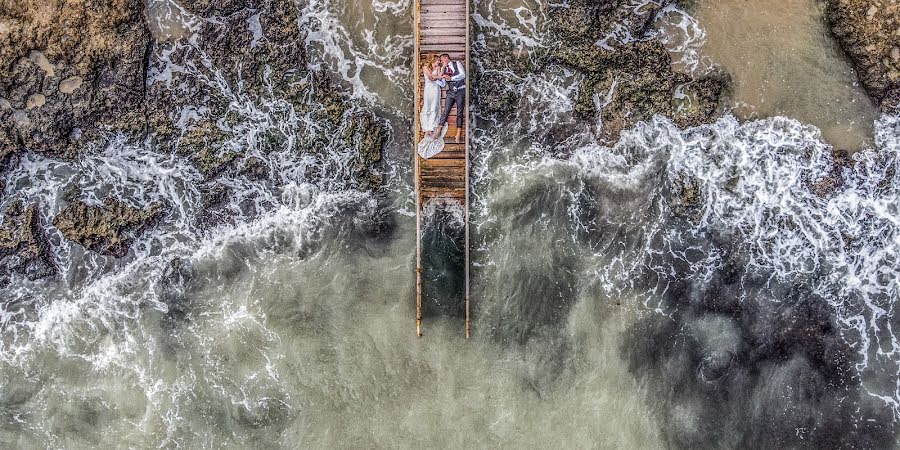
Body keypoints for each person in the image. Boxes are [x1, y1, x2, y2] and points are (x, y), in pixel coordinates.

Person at [418, 54, 448, 158]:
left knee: (434, 109)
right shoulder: (426, 66)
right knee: (427, 107)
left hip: (436, 90)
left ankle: (430, 128)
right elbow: (431, 77)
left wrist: (442, 68)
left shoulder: (439, 67)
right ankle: (426, 127)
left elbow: (440, 81)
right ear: (433, 60)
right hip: (428, 89)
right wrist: (439, 77)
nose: (438, 63)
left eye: (439, 61)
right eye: (437, 61)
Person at [435, 53, 466, 144]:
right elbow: (443, 84)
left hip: (460, 91)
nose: (440, 62)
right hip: (451, 92)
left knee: (459, 112)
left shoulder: (457, 63)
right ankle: (439, 130)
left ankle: (458, 133)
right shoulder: (444, 70)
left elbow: (463, 75)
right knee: (446, 111)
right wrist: (436, 79)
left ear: (446, 58)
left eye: (441, 60)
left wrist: (451, 78)